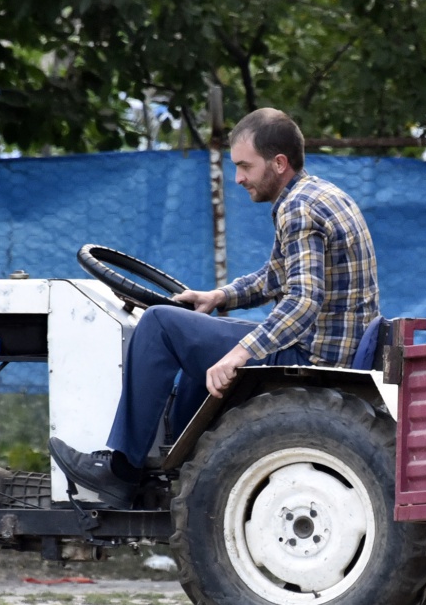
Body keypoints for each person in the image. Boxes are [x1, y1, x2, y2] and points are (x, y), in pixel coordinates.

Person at [49, 107, 380, 509]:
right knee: (192, 339)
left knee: (158, 324)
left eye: (245, 166)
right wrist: (216, 298)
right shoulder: (320, 194)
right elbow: (276, 277)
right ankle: (185, 466)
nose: (238, 178)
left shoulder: (299, 209)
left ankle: (119, 473)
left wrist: (239, 354)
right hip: (332, 350)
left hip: (312, 356)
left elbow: (302, 302)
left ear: (279, 163)